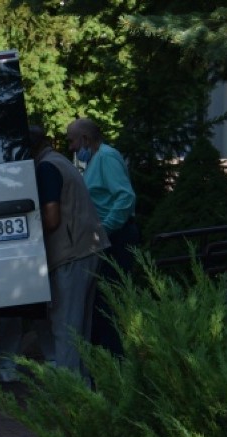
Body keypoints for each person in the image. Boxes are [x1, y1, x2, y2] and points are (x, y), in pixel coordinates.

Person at [30, 125, 110, 379]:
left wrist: (27, 229)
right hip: (88, 248)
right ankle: (82, 388)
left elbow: (51, 218)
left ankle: (69, 393)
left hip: (70, 253)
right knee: (80, 328)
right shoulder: (59, 161)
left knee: (65, 327)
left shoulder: (46, 168)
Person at [66, 118, 139, 357]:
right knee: (103, 302)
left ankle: (116, 362)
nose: (71, 147)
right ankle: (109, 361)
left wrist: (105, 228)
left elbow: (125, 197)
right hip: (108, 236)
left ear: (85, 139)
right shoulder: (96, 159)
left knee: (109, 303)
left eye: (72, 140)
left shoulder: (106, 157)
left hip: (116, 237)